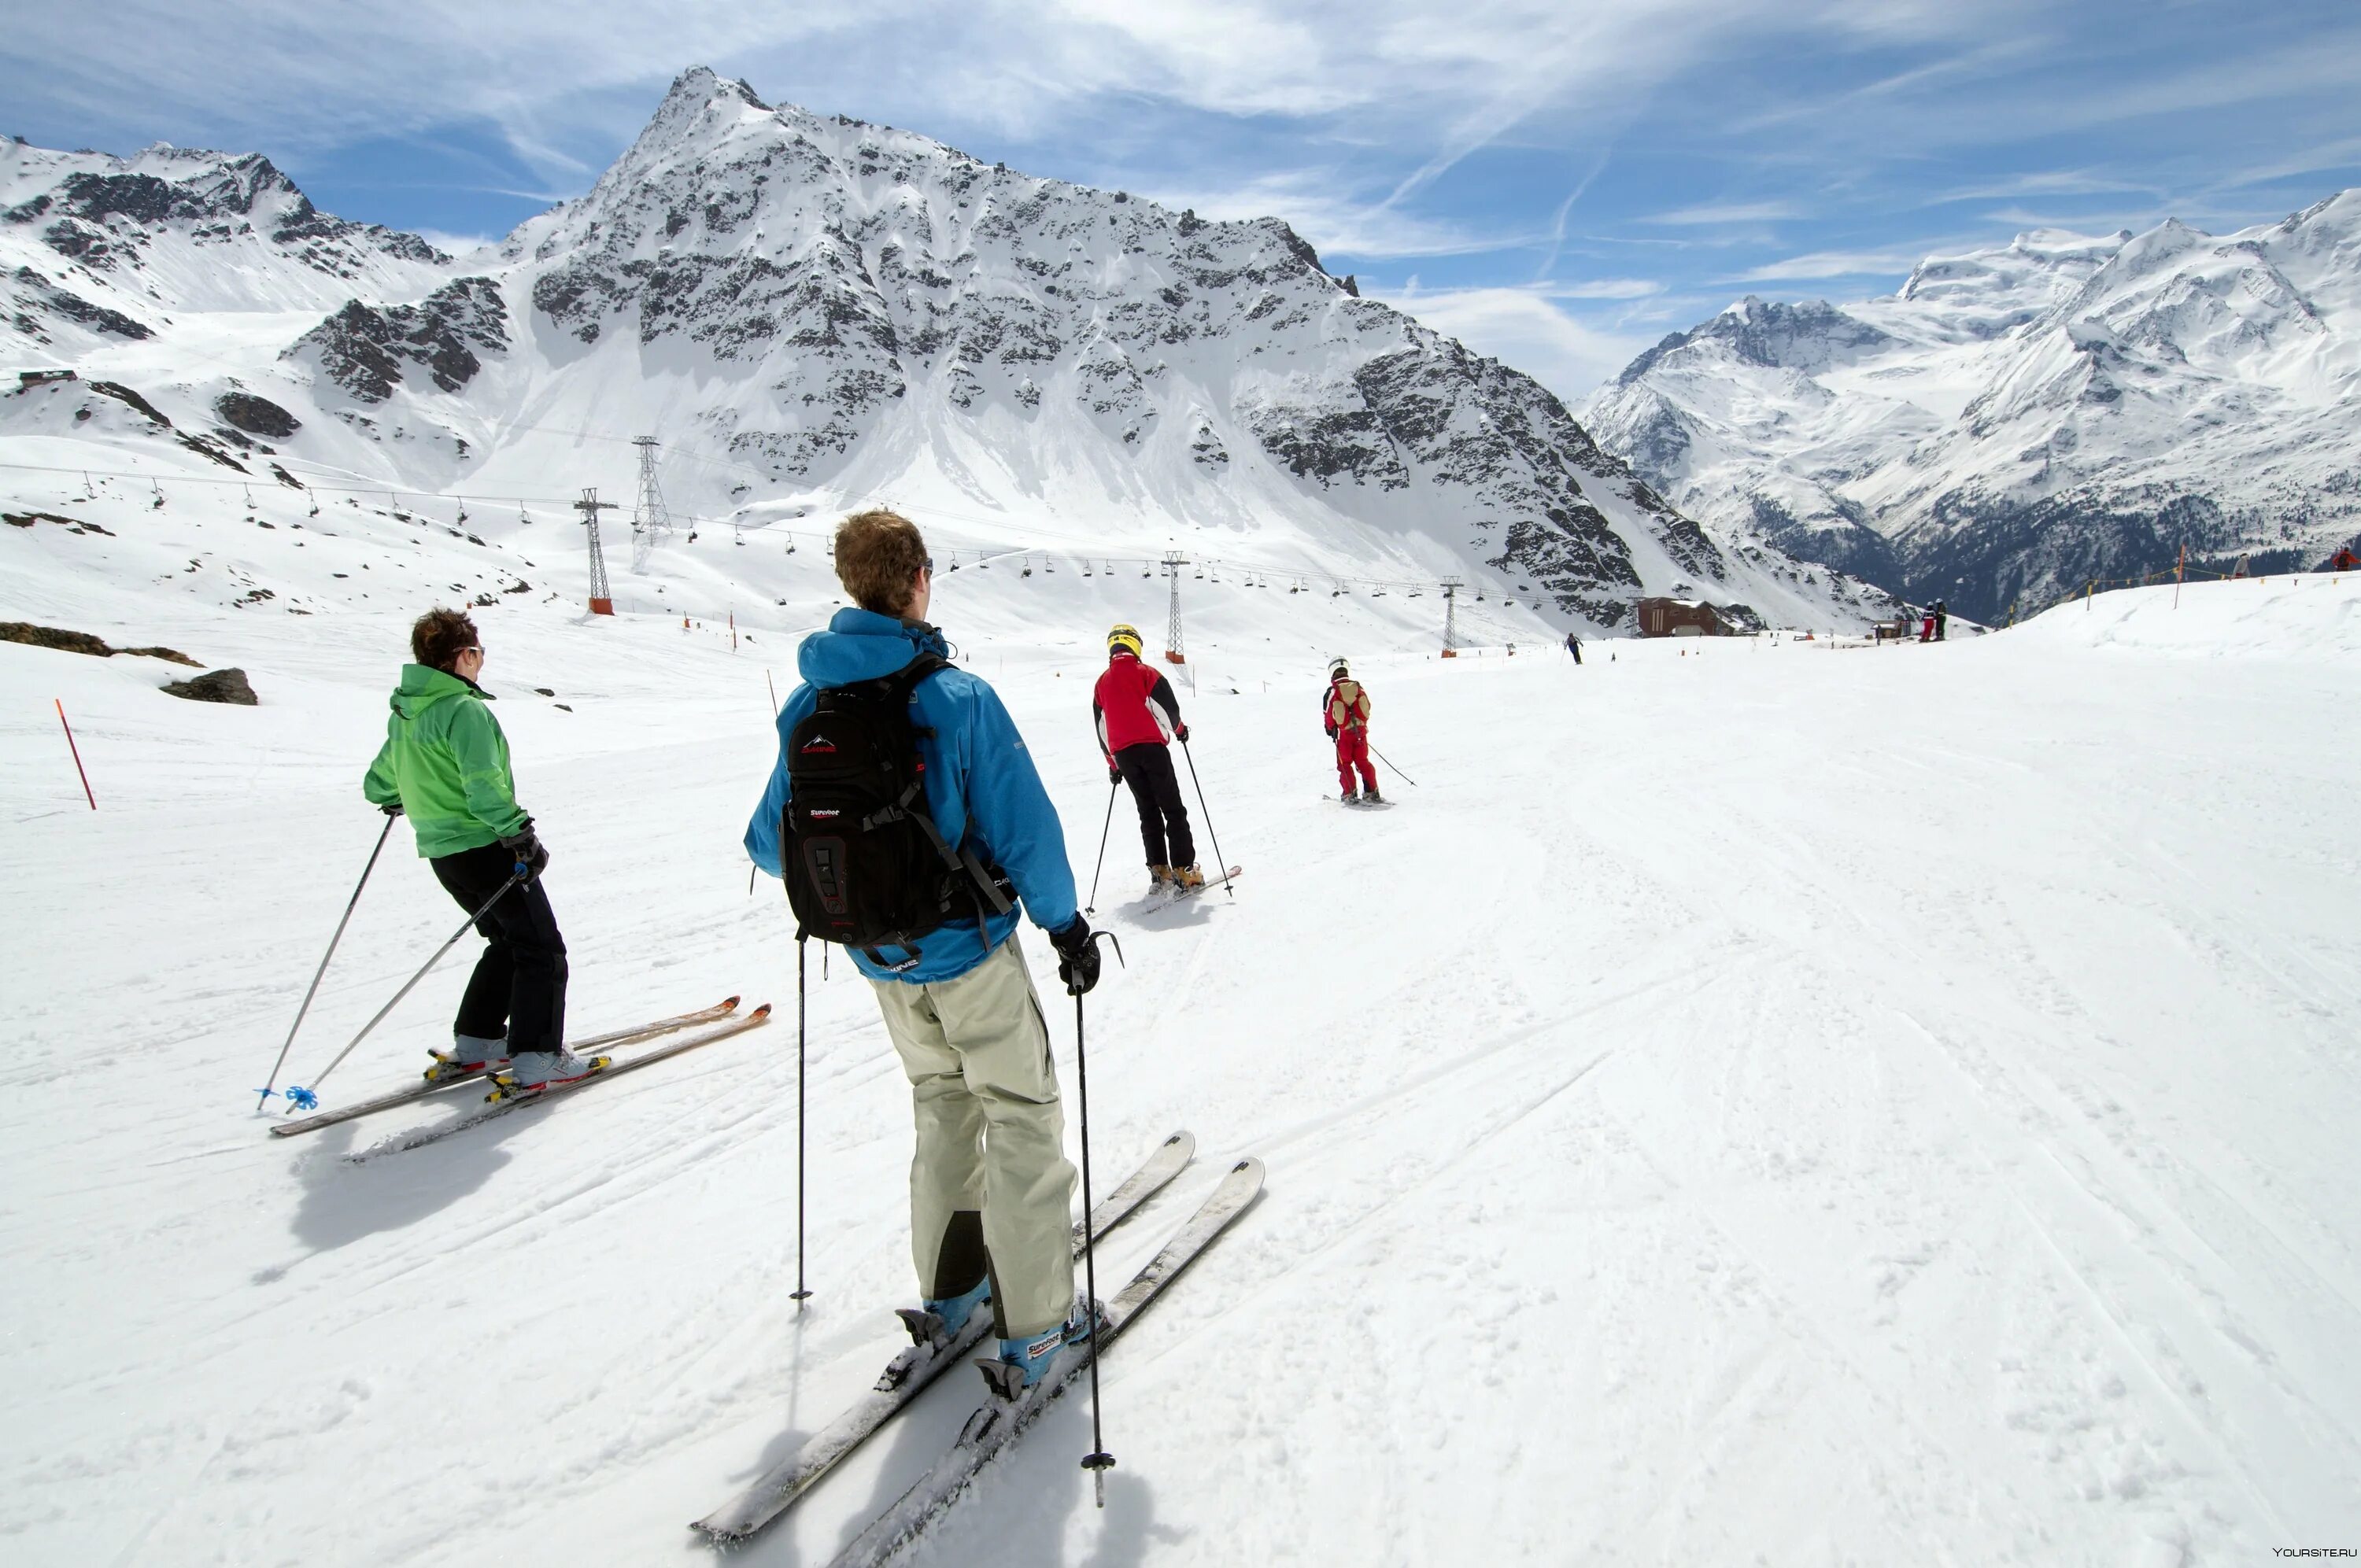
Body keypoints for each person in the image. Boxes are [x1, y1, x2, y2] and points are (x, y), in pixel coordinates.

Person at [744, 509, 1101, 1391]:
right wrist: (1065, 926)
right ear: (917, 583)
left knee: (943, 1105)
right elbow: (1029, 834)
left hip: (879, 961)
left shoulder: (808, 704)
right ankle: (1039, 1322)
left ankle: (952, 1292)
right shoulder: (956, 697)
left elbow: (764, 840)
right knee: (1020, 1115)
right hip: (969, 952)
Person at [362, 608, 599, 1094]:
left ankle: (480, 1040)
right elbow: (483, 785)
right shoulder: (463, 711)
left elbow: (380, 783)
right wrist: (520, 835)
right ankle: (539, 1056)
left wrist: (404, 794)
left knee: (508, 942)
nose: (481, 662)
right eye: (478, 652)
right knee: (540, 948)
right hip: (487, 847)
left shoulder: (408, 711)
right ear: (461, 656)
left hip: (445, 856)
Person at [1092, 624, 1202, 892]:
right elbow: (1167, 709)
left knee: (1148, 811)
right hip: (1152, 750)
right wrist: (1180, 730)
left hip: (1124, 757)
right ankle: (1184, 870)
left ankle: (1159, 870)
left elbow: (1101, 727)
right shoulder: (1147, 674)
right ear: (1135, 645)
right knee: (1173, 809)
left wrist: (1112, 764)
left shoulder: (1101, 683)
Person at [1325, 657, 1379, 802]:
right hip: (1361, 733)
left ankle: (1349, 793)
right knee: (1363, 761)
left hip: (1343, 737)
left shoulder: (1332, 691)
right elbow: (1367, 706)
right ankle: (1371, 791)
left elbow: (1329, 716)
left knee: (1345, 764)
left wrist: (1330, 729)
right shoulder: (1358, 688)